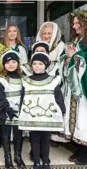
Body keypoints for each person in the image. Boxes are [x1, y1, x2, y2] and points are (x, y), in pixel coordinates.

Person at [18, 52, 65, 169]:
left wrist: (62, 110)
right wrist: (21, 112)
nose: (37, 66)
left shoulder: (53, 80)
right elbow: (23, 97)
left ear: (46, 65)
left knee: (45, 138)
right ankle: (37, 161)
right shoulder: (26, 80)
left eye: (40, 63)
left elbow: (58, 96)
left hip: (48, 116)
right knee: (34, 138)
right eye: (34, 63)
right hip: (32, 116)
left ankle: (46, 161)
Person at [0, 51, 26, 169]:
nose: (11, 64)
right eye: (8, 62)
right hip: (5, 111)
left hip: (19, 112)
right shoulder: (1, 79)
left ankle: (18, 156)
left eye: (14, 62)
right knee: (5, 133)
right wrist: (7, 109)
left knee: (18, 134)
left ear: (18, 63)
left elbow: (25, 95)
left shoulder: (23, 79)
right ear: (3, 64)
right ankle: (7, 157)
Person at [64, 10, 87, 165]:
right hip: (74, 84)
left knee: (84, 119)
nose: (74, 26)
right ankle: (79, 149)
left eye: (78, 23)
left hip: (83, 86)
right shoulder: (78, 39)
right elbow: (67, 58)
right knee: (76, 118)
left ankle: (85, 154)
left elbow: (81, 57)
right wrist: (67, 58)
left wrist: (74, 57)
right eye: (74, 23)